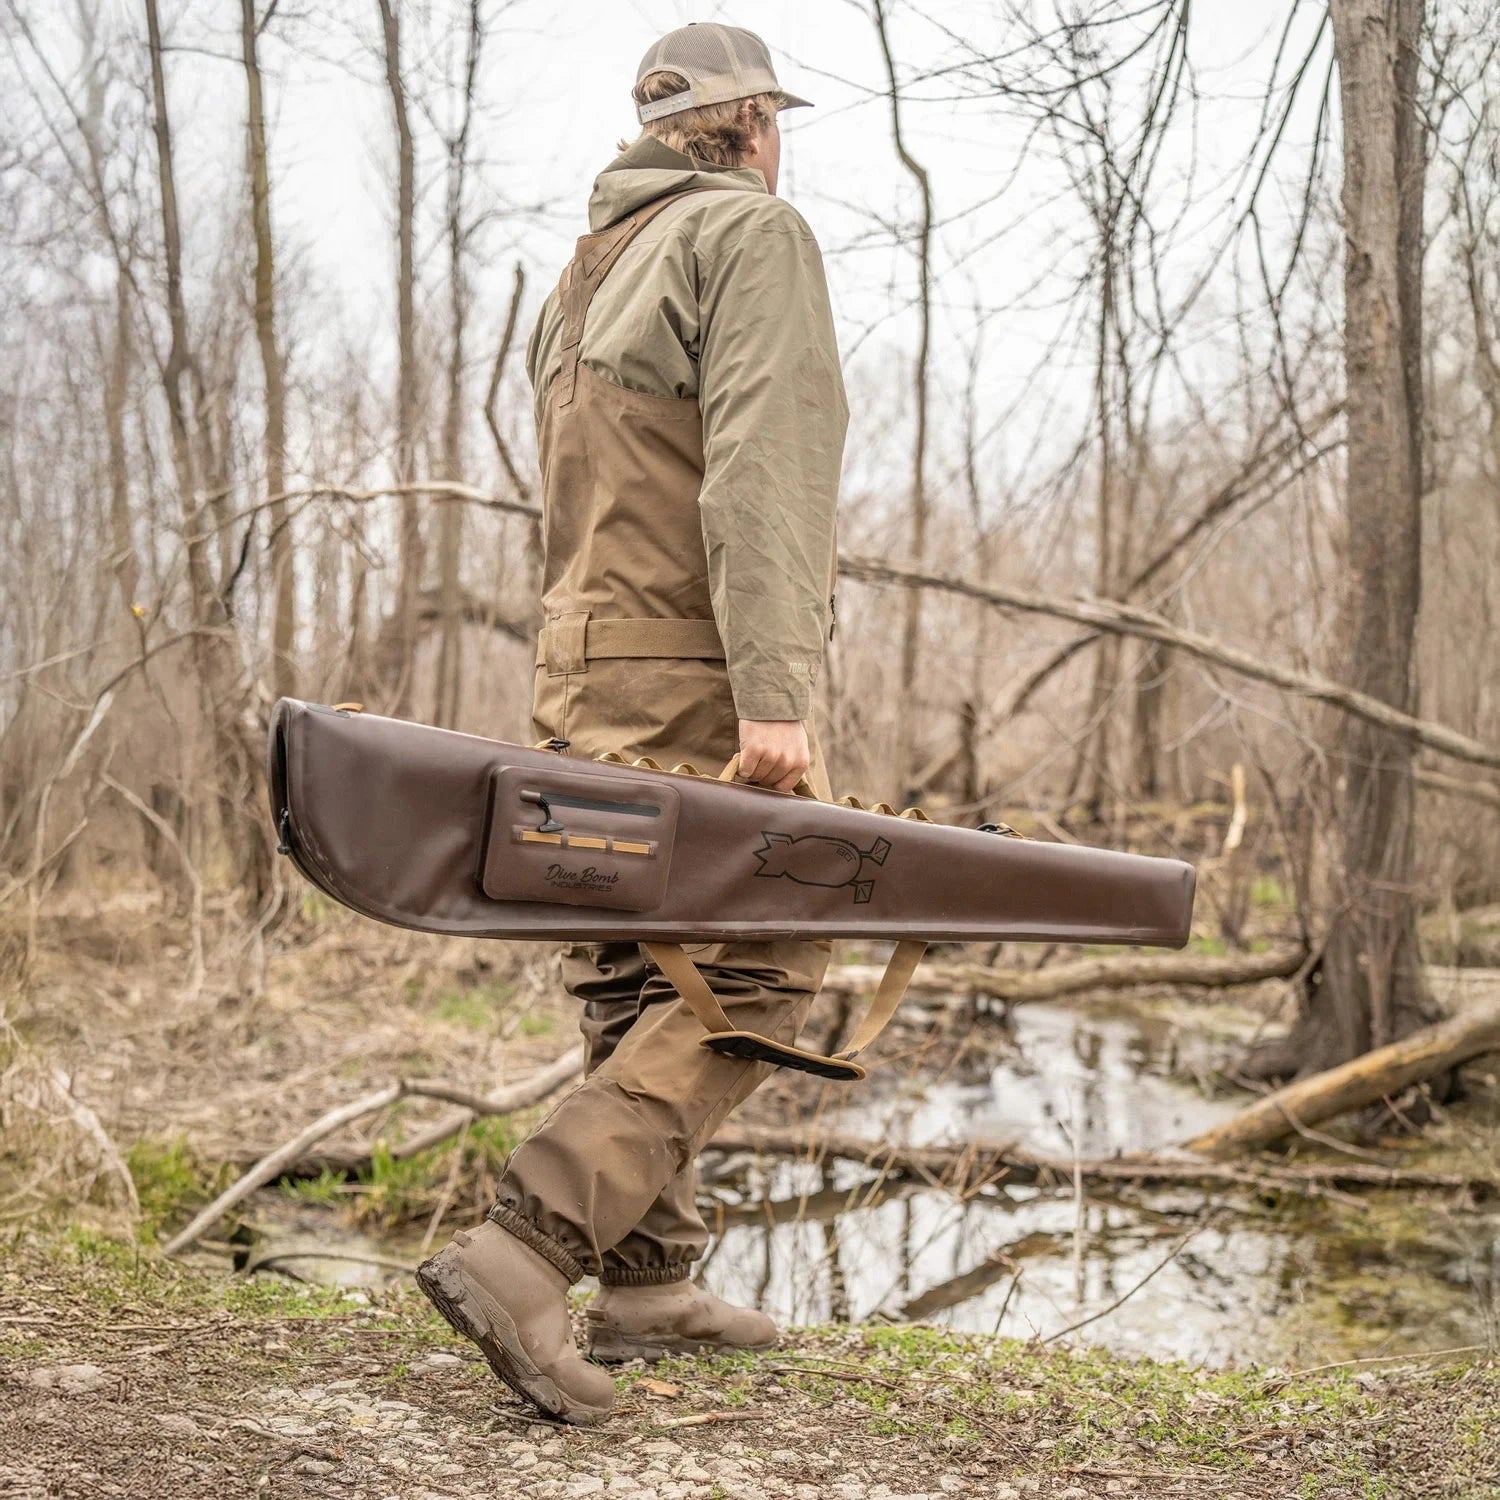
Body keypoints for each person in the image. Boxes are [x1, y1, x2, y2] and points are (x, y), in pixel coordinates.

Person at [416, 21, 847, 1425]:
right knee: (772, 953)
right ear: (752, 126)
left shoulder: (590, 263)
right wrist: (775, 690)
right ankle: (526, 1250)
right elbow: (758, 475)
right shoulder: (750, 238)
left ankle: (648, 1277)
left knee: (634, 965)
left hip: (581, 674)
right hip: (689, 674)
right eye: (778, 122)